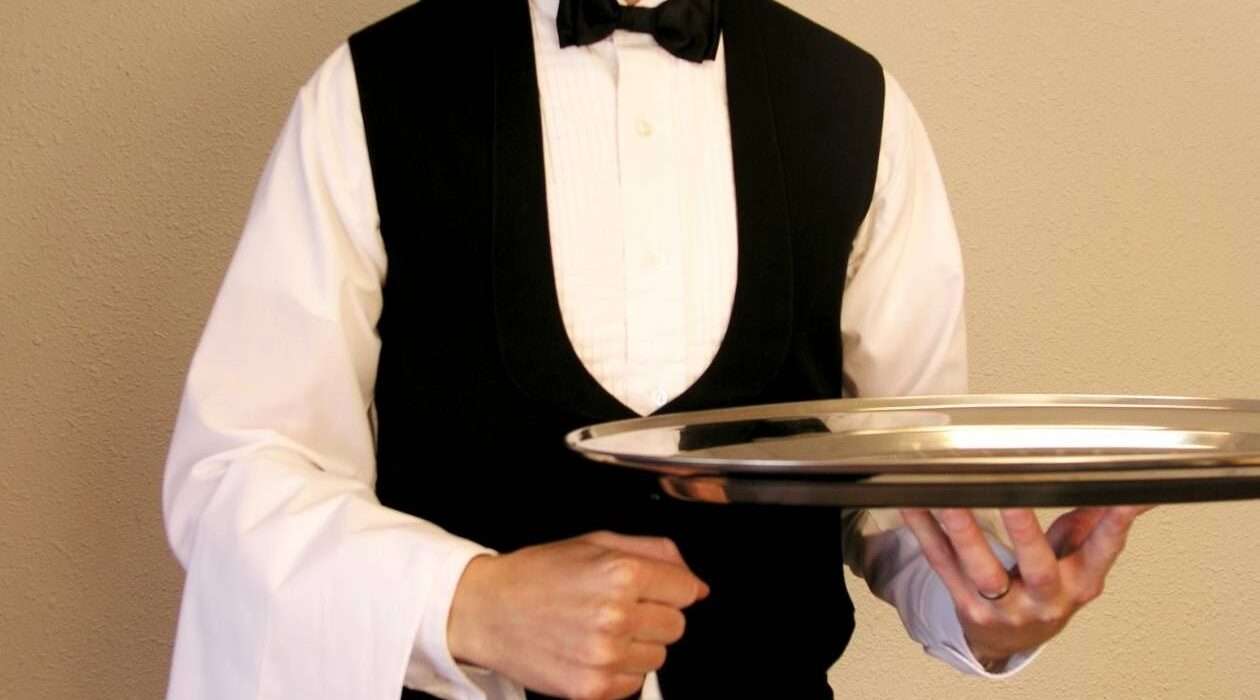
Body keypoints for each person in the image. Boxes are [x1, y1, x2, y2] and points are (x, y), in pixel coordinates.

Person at [162, 0, 1146, 698]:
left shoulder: (859, 105)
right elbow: (236, 473)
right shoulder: (368, 91)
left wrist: (984, 608)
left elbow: (892, 494)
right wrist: (473, 600)